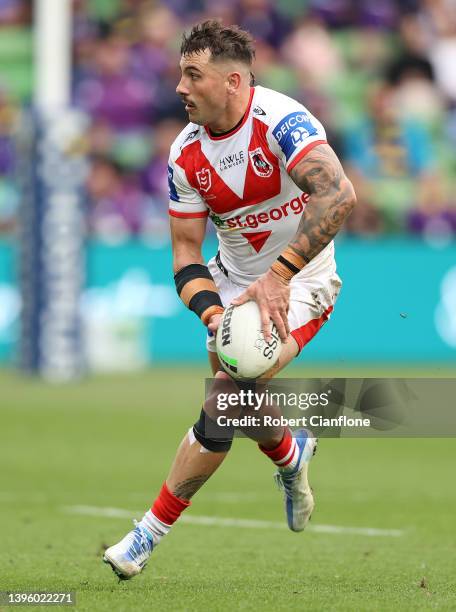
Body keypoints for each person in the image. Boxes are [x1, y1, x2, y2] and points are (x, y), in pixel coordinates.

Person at [103, 20, 356, 580]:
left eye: (193, 74)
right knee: (239, 399)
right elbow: (187, 254)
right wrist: (214, 312)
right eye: (179, 74)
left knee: (222, 398)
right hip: (234, 284)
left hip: (303, 282)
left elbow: (339, 195)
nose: (179, 87)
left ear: (234, 81)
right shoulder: (184, 152)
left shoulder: (282, 122)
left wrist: (281, 276)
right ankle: (292, 455)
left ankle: (147, 533)